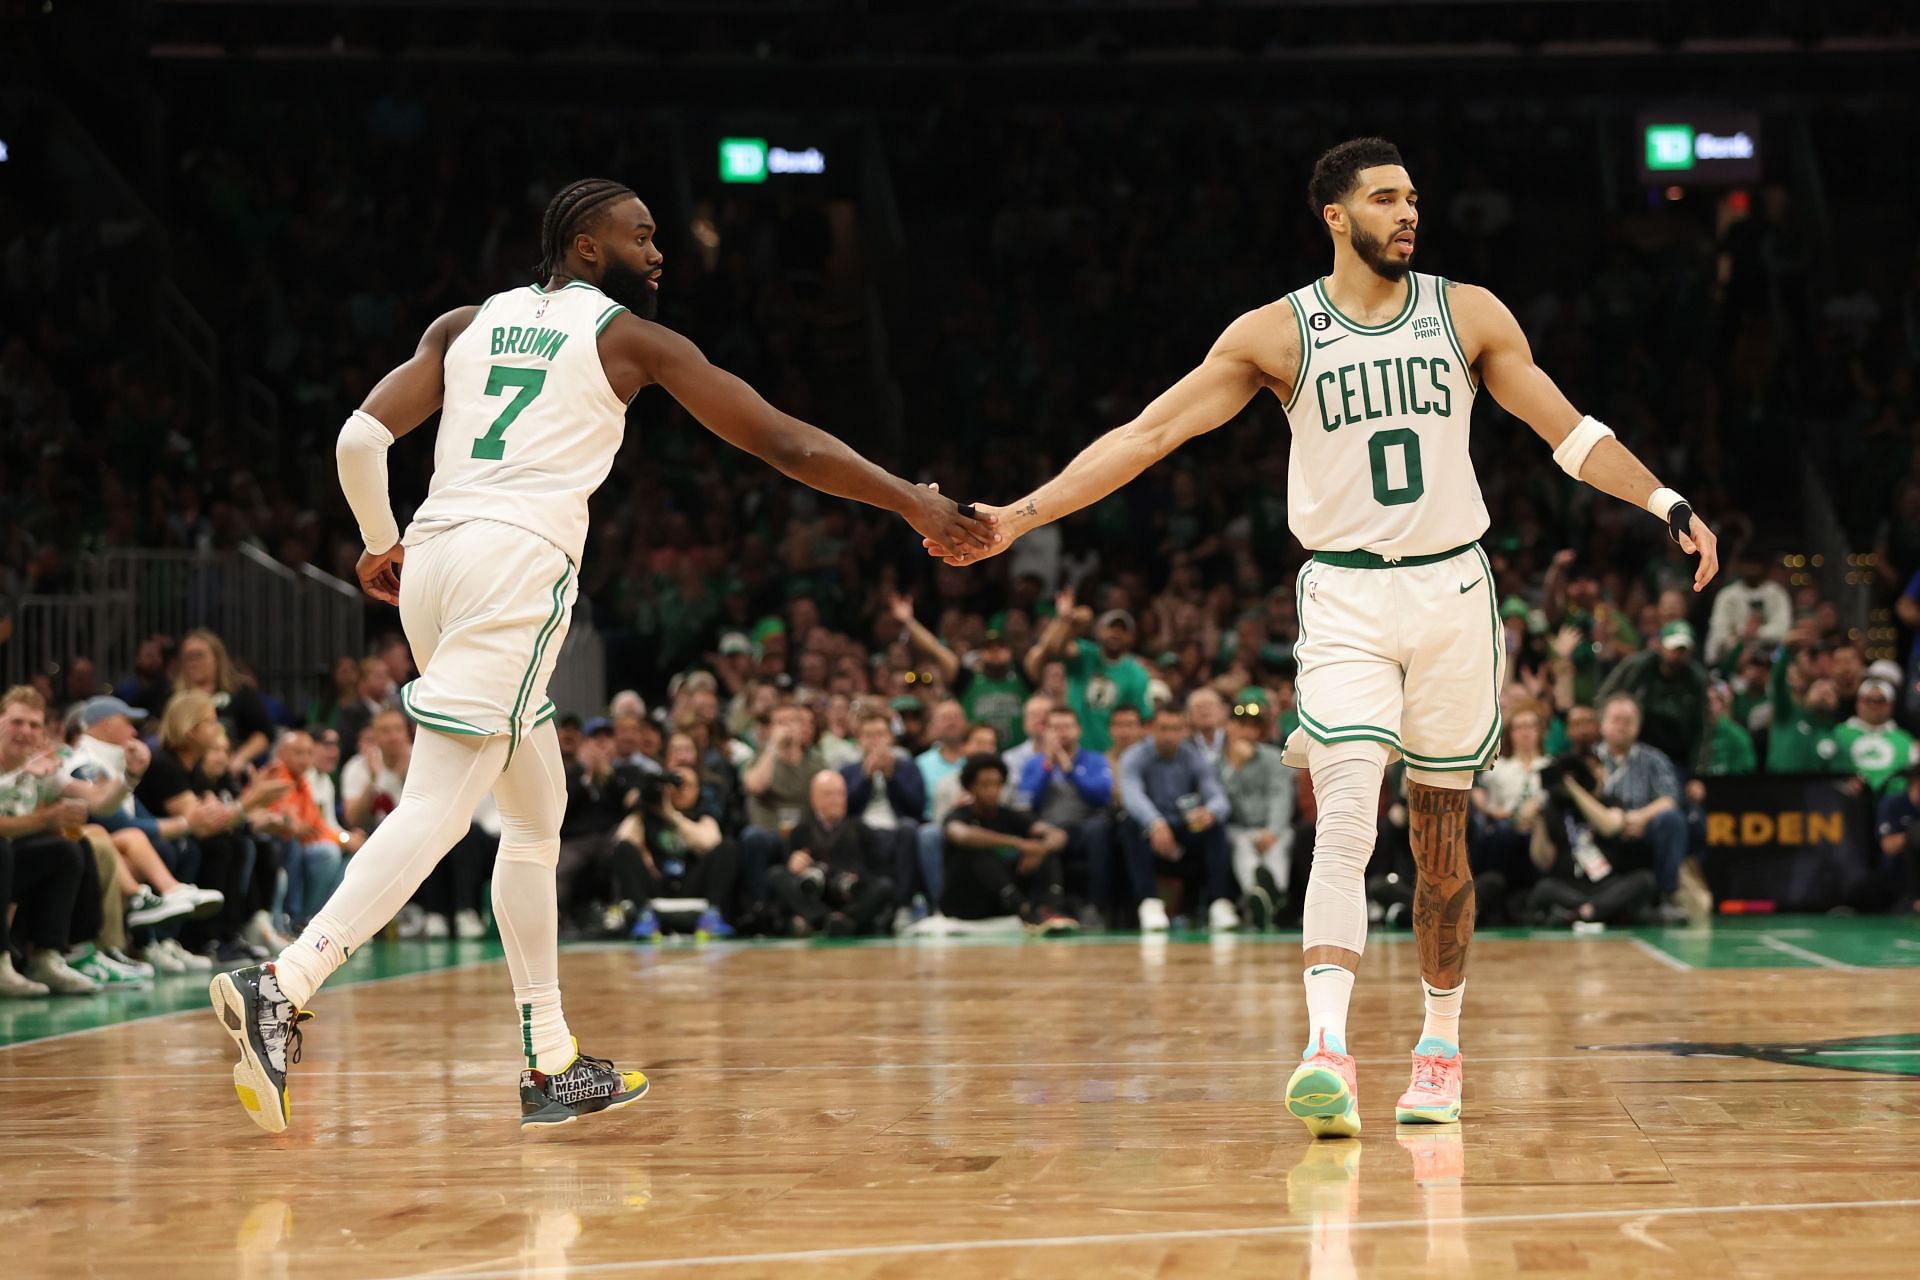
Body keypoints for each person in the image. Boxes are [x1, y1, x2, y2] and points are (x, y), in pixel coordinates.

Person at [926, 136, 1720, 1136]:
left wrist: (1662, 496)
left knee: (1439, 842)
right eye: (1387, 199)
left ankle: (1439, 1046)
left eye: (1414, 198)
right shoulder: (1278, 334)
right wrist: (1022, 515)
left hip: (1453, 593)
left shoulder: (1468, 312)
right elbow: (1147, 434)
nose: (1408, 213)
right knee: (1345, 811)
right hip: (1344, 594)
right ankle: (1327, 1049)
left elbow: (1567, 430)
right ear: (1335, 215)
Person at [209, 177, 995, 1135]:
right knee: (441, 803)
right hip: (515, 564)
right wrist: (911, 500)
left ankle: (551, 1061)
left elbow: (359, 438)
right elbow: (784, 442)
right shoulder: (628, 340)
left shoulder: (464, 325)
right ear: (586, 247)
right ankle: (285, 982)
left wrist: (380, 542)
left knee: (536, 809)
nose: (660, 250)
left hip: (436, 559)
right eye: (643, 234)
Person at [1117, 705, 1238, 932]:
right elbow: (1132, 796)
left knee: (1216, 827)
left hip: (1184, 825)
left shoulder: (1193, 755)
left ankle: (1219, 903)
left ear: (1184, 731)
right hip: (1150, 826)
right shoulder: (1133, 756)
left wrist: (1209, 812)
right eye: (1163, 729)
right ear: (1151, 729)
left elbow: (1218, 797)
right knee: (1129, 824)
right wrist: (1155, 822)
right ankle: (1149, 903)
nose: (1169, 736)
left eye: (1175, 729)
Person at [940, 755, 1076, 932]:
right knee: (979, 850)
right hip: (965, 901)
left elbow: (1058, 835)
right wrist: (1018, 843)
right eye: (985, 785)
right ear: (971, 787)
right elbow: (962, 835)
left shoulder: (1009, 815)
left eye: (997, 784)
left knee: (1045, 849)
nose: (992, 791)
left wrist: (1040, 849)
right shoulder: (959, 815)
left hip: (998, 902)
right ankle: (1023, 909)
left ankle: (1050, 908)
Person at [1017, 705, 1115, 925]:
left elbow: (1102, 797)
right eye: (1055, 727)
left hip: (1083, 828)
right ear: (1046, 731)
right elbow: (1025, 801)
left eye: (1067, 726)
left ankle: (1096, 906)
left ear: (1078, 730)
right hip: (1048, 829)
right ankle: (1045, 909)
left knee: (1099, 829)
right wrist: (1047, 766)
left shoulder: (1095, 760)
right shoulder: (1034, 764)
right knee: (1036, 834)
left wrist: (1070, 770)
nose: (1062, 732)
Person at [765, 770, 894, 937]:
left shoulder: (861, 829)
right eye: (828, 794)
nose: (836, 800)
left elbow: (879, 871)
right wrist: (794, 867)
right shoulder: (800, 831)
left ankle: (842, 920)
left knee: (884, 886)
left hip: (851, 898)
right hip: (815, 896)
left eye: (840, 794)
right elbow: (790, 876)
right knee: (777, 875)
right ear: (813, 798)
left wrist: (858, 877)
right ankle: (827, 920)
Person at [1219, 693, 1294, 929]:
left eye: (1253, 727)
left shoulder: (1274, 758)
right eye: (1241, 725)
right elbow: (1220, 802)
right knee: (1243, 846)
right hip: (1238, 828)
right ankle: (1259, 898)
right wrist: (1236, 767)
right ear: (1229, 726)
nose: (1247, 732)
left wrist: (1272, 831)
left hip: (1272, 828)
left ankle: (1270, 897)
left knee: (1279, 848)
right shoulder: (1217, 763)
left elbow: (1281, 797)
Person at [1595, 621, 1709, 772]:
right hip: (1631, 751)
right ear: (1661, 645)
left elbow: (1702, 727)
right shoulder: (1637, 667)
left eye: (1683, 649)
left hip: (1676, 757)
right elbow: (1605, 699)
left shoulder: (1697, 680)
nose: (1678, 654)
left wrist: (1697, 771)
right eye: (1673, 648)